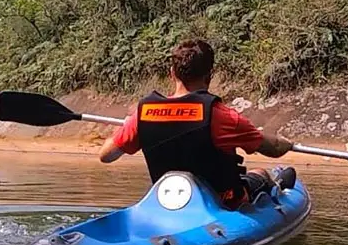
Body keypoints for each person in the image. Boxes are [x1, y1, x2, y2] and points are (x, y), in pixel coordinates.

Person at [97, 38, 296, 207]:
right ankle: (276, 188)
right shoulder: (222, 116)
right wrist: (287, 143)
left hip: (171, 203)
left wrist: (128, 125)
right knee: (260, 173)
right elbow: (274, 148)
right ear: (209, 76)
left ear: (172, 73)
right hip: (223, 202)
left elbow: (106, 156)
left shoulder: (145, 113)